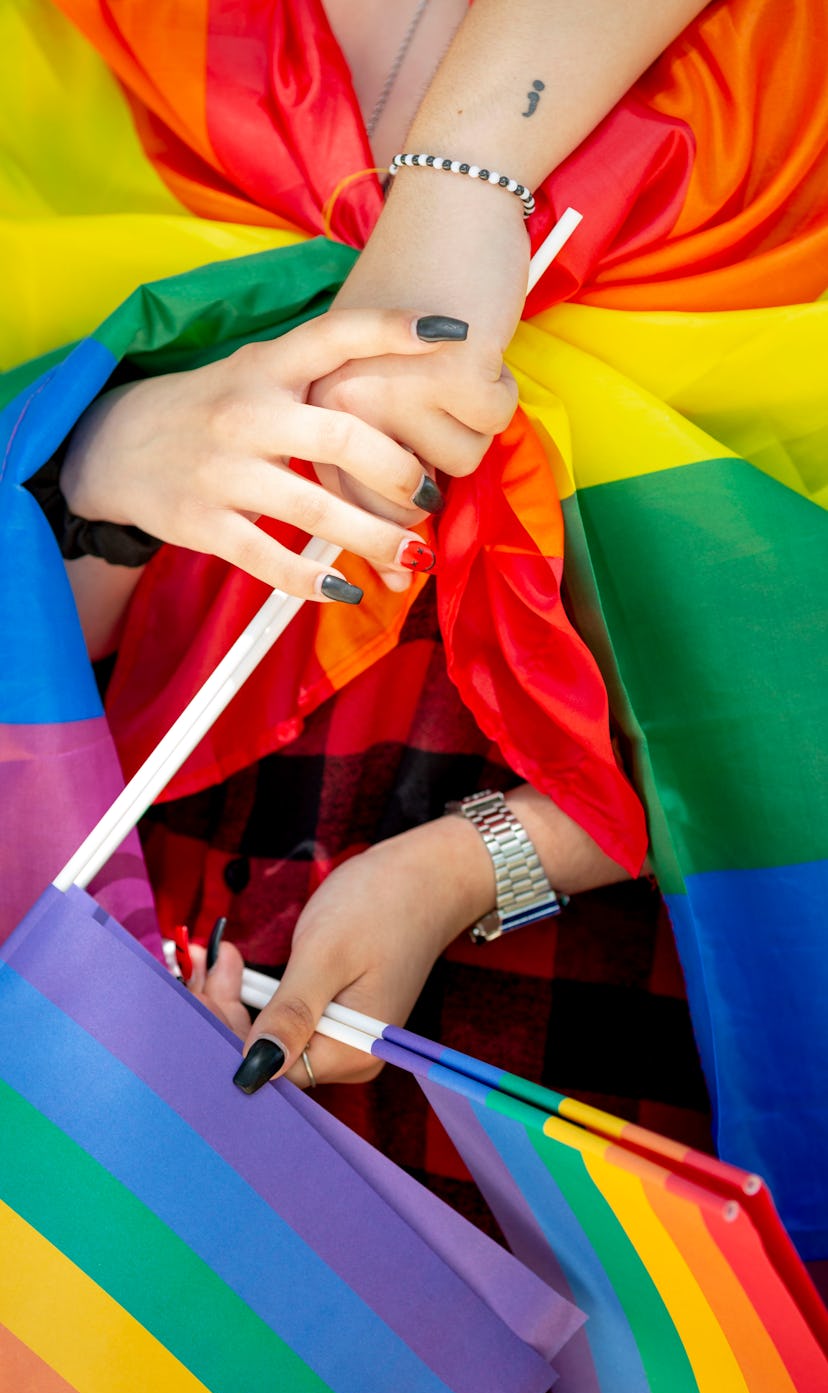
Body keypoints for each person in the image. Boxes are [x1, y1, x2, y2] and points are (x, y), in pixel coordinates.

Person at [7, 0, 828, 1280]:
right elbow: (53, 651)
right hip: (145, 951)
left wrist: (468, 867)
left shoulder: (781, 77)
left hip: (629, 1019)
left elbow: (773, 674)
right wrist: (102, 457)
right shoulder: (103, 34)